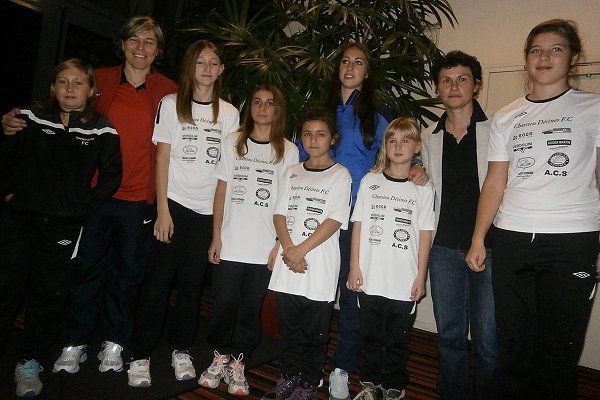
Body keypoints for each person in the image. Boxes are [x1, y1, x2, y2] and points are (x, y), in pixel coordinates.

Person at [465, 19, 599, 400]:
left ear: (572, 57)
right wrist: (478, 238)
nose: (545, 57)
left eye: (556, 49)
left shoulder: (593, 108)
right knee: (515, 345)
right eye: (536, 50)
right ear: (526, 59)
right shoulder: (506, 116)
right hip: (512, 240)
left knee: (558, 350)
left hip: (573, 240)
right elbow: (494, 182)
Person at [0, 58, 122, 397]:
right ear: (53, 88)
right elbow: (5, 158)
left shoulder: (102, 129)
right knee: (5, 289)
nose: (70, 88)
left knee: (47, 296)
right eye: (63, 82)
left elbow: (111, 179)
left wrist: (78, 208)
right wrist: (9, 195)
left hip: (63, 229)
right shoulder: (28, 117)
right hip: (18, 222)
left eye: (78, 83)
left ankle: (29, 362)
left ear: (91, 90)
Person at [126, 40, 239, 387]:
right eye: (200, 61)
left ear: (221, 70)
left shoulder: (230, 113)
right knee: (158, 285)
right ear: (190, 67)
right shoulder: (171, 104)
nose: (207, 68)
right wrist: (162, 210)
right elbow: (162, 157)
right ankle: (140, 355)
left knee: (191, 288)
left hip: (206, 212)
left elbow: (228, 171)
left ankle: (181, 349)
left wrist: (220, 225)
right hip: (173, 205)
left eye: (214, 62)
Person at [324, 42, 428, 400]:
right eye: (345, 60)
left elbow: (400, 150)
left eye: (359, 62)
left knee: (353, 302)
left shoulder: (378, 111)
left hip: (358, 220)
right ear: (337, 67)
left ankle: (341, 368)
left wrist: (417, 167)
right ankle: (308, 367)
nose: (350, 67)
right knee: (320, 298)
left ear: (367, 71)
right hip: (319, 218)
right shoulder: (321, 109)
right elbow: (303, 156)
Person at [198, 84, 298, 396]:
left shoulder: (288, 150)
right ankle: (219, 356)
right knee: (224, 303)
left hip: (263, 247)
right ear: (250, 107)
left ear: (277, 110)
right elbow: (221, 191)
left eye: (269, 103)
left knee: (250, 308)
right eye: (257, 101)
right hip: (230, 242)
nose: (263, 108)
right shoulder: (232, 142)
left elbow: (288, 201)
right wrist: (215, 236)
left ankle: (239, 362)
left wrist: (279, 244)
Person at [421, 51, 499, 400]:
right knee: (449, 335)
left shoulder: (498, 128)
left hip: (491, 247)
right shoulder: (427, 136)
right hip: (443, 249)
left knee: (488, 339)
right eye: (446, 80)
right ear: (437, 87)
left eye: (462, 79)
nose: (453, 86)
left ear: (476, 85)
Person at [263, 106, 351, 400]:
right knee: (290, 330)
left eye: (321, 134)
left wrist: (300, 250)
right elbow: (279, 214)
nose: (313, 140)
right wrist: (289, 249)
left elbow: (334, 220)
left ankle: (309, 383)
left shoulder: (341, 175)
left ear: (333, 139)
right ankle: (288, 377)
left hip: (319, 267)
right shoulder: (291, 172)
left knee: (315, 333)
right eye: (307, 134)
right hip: (289, 265)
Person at [348, 117, 434, 400]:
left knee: (398, 340)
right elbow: (358, 225)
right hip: (370, 278)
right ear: (385, 145)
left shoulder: (423, 187)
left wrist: (420, 277)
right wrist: (354, 267)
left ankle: (395, 383)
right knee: (370, 338)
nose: (398, 146)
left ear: (417, 146)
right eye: (392, 140)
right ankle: (369, 383)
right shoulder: (370, 181)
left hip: (403, 281)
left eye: (405, 140)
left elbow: (424, 235)